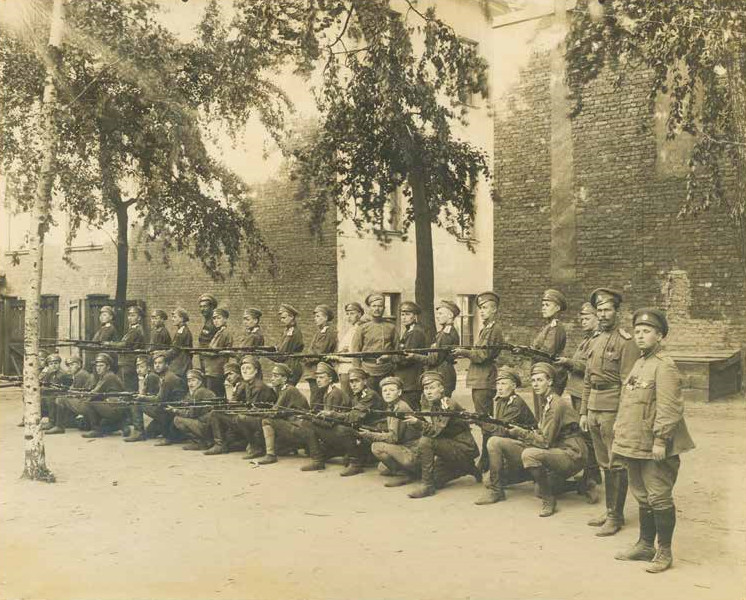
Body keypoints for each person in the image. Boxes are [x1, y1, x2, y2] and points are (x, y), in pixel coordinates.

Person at [612, 309, 695, 574]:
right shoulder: (640, 363)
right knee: (642, 495)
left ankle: (664, 551)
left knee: (659, 496)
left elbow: (670, 408)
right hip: (634, 443)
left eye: (646, 331)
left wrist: (661, 439)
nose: (640, 336)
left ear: (659, 336)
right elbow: (629, 402)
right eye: (637, 331)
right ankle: (645, 545)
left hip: (654, 445)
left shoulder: (664, 365)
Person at [580, 288, 639, 536]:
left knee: (616, 463)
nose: (603, 314)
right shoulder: (594, 339)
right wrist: (584, 411)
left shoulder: (626, 342)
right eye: (600, 310)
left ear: (617, 312)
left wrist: (622, 418)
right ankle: (609, 510)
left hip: (612, 407)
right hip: (594, 406)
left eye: (607, 310)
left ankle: (616, 517)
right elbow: (587, 379)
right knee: (604, 462)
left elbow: (628, 384)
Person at [509, 362, 588, 517]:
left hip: (573, 453)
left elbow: (545, 442)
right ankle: (582, 485)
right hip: (560, 448)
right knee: (538, 489)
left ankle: (549, 500)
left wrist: (521, 433)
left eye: (540, 380)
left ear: (550, 382)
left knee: (529, 455)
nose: (535, 384)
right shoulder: (547, 400)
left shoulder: (555, 404)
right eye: (533, 381)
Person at [554, 302, 602, 503]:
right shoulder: (587, 339)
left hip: (585, 394)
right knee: (583, 434)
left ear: (597, 319)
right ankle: (592, 474)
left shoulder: (598, 340)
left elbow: (591, 367)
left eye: (587, 318)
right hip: (577, 392)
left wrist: (569, 362)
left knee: (588, 436)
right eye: (581, 318)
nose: (583, 322)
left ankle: (591, 478)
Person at [406, 371, 480, 499]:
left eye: (432, 388)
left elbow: (436, 431)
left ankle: (427, 486)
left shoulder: (447, 405)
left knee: (426, 441)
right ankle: (467, 467)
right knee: (436, 479)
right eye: (426, 388)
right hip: (450, 447)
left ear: (441, 389)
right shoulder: (435, 404)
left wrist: (418, 423)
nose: (428, 392)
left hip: (464, 448)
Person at [474, 367, 537, 505]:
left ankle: (497, 491)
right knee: (487, 480)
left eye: (504, 383)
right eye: (498, 384)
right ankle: (528, 474)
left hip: (529, 448)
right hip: (516, 447)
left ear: (513, 386)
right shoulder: (501, 401)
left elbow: (502, 431)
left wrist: (481, 423)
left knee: (494, 441)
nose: (500, 387)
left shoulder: (515, 403)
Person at [206, 355, 277, 457]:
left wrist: (234, 409)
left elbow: (254, 411)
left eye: (248, 368)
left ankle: (256, 446)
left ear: (256, 371)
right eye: (243, 369)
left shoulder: (259, 387)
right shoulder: (248, 384)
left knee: (240, 418)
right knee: (216, 413)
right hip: (249, 417)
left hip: (262, 420)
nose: (245, 371)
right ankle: (219, 445)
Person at [358, 375, 422, 487]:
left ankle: (407, 474)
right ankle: (407, 469)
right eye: (385, 390)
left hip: (413, 449)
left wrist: (370, 435)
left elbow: (394, 437)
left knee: (376, 447)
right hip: (405, 446)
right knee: (382, 468)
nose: (387, 393)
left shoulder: (400, 408)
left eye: (391, 390)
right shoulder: (392, 406)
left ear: (399, 392)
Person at [297, 362, 358, 473]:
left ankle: (318, 461)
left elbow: (330, 422)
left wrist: (310, 418)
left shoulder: (334, 394)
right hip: (338, 430)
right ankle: (321, 457)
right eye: (317, 377)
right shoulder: (327, 392)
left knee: (306, 423)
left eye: (321, 377)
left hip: (343, 432)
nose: (318, 380)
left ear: (330, 379)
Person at [453, 291, 504, 416]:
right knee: (482, 416)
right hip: (480, 379)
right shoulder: (486, 329)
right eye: (480, 308)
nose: (481, 311)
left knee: (484, 418)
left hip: (484, 379)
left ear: (494, 309)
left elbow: (482, 355)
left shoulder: (493, 329)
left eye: (485, 308)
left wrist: (464, 352)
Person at [256, 364, 311, 465]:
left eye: (276, 376)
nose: (272, 378)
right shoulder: (283, 389)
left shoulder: (288, 390)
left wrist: (258, 412)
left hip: (300, 426)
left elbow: (274, 412)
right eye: (272, 375)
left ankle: (270, 455)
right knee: (279, 448)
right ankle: (292, 446)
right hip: (297, 424)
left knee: (266, 421)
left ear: (284, 379)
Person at [126, 352, 186, 443]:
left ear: (167, 364)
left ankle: (139, 432)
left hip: (170, 411)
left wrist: (142, 397)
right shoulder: (165, 376)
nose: (157, 365)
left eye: (160, 363)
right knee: (149, 433)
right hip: (169, 409)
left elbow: (159, 399)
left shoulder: (168, 378)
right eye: (155, 363)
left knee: (136, 403)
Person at [381, 301, 429, 410]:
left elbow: (406, 358)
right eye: (402, 314)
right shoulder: (409, 331)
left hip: (410, 380)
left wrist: (389, 358)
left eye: (408, 314)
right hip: (407, 379)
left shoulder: (415, 332)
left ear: (415, 316)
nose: (404, 317)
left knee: (410, 410)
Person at [410, 300, 460, 397]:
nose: (437, 316)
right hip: (443, 371)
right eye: (437, 314)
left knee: (442, 402)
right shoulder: (443, 332)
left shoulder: (446, 334)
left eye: (440, 313)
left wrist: (414, 356)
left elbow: (433, 360)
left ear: (450, 315)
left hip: (442, 373)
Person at [350, 293, 397, 393]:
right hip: (368, 372)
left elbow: (397, 351)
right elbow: (355, 352)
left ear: (384, 308)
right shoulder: (362, 328)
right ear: (369, 308)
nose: (377, 309)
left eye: (380, 306)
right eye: (374, 306)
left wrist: (389, 357)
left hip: (387, 371)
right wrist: (357, 373)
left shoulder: (391, 327)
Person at [531, 288, 568, 415]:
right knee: (542, 413)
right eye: (543, 305)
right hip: (544, 374)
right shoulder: (548, 327)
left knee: (547, 413)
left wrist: (529, 352)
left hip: (550, 377)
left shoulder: (555, 328)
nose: (543, 308)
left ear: (557, 308)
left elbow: (546, 354)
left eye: (547, 305)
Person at [80, 353, 129, 439]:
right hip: (118, 406)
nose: (98, 368)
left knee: (89, 403)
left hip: (115, 406)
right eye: (97, 366)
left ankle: (96, 430)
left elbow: (94, 393)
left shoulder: (108, 376)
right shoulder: (106, 375)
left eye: (101, 365)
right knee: (102, 425)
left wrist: (82, 398)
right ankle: (121, 424)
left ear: (108, 367)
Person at [171, 369, 218, 450]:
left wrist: (176, 410)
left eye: (193, 380)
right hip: (209, 424)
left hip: (207, 426)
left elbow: (192, 414)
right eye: (189, 381)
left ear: (200, 381)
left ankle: (200, 443)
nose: (190, 383)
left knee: (177, 420)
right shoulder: (200, 391)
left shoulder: (199, 392)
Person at [303, 305, 338, 407]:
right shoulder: (320, 332)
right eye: (315, 316)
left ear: (326, 318)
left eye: (318, 316)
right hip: (313, 370)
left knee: (316, 400)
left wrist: (306, 358)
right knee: (316, 398)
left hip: (319, 369)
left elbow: (320, 352)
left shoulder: (328, 333)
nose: (315, 319)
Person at [106, 305, 146, 392]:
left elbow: (124, 344)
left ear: (139, 318)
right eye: (129, 315)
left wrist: (109, 343)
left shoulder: (136, 331)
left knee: (128, 388)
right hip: (126, 362)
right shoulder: (131, 330)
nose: (130, 318)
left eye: (133, 315)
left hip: (129, 363)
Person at [51, 356, 95, 434]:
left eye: (72, 364)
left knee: (60, 399)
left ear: (79, 365)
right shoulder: (80, 373)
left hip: (87, 402)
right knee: (63, 397)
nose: (70, 367)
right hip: (87, 401)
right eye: (69, 365)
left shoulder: (81, 375)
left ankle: (59, 426)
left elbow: (74, 392)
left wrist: (63, 391)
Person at [335, 302, 364, 397]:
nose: (349, 316)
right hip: (343, 369)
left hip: (350, 368)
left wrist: (339, 358)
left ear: (359, 314)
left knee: (349, 397)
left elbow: (356, 352)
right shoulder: (350, 329)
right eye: (347, 314)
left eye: (352, 313)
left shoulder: (360, 329)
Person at [203, 307, 232, 397]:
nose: (216, 321)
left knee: (215, 396)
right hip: (211, 370)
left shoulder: (226, 333)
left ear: (225, 319)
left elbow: (217, 350)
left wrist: (205, 352)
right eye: (214, 318)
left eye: (218, 318)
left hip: (217, 371)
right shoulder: (219, 332)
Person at [273, 303, 304, 385]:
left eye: (284, 318)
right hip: (287, 364)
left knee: (287, 390)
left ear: (292, 317)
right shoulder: (287, 331)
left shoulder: (293, 332)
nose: (282, 320)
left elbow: (282, 353)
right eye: (281, 318)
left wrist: (264, 354)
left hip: (291, 366)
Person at [40, 354, 72, 432]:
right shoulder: (50, 373)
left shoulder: (63, 374)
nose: (54, 366)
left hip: (62, 395)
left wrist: (51, 389)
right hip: (53, 393)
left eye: (56, 363)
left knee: (50, 399)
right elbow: (44, 383)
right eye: (51, 364)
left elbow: (66, 388)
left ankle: (52, 422)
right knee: (42, 397)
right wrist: (45, 373)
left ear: (59, 364)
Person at [166, 308, 193, 380]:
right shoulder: (181, 330)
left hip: (181, 365)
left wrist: (162, 354)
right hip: (181, 364)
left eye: (175, 317)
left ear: (181, 319)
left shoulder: (182, 332)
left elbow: (175, 350)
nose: (172, 319)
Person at [197, 294, 218, 372]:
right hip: (205, 359)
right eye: (201, 307)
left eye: (205, 306)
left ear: (212, 307)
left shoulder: (213, 323)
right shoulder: (208, 321)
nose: (202, 309)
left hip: (210, 361)